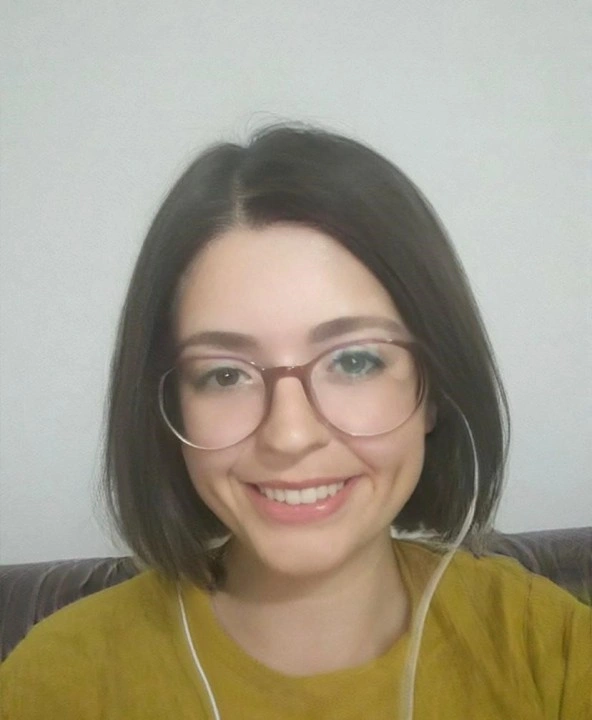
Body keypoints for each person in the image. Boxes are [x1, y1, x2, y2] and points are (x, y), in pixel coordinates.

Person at [1, 125, 589, 720]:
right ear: (169, 406)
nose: (289, 435)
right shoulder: (54, 685)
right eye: (225, 374)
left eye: (354, 361)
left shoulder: (554, 651)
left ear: (433, 389)